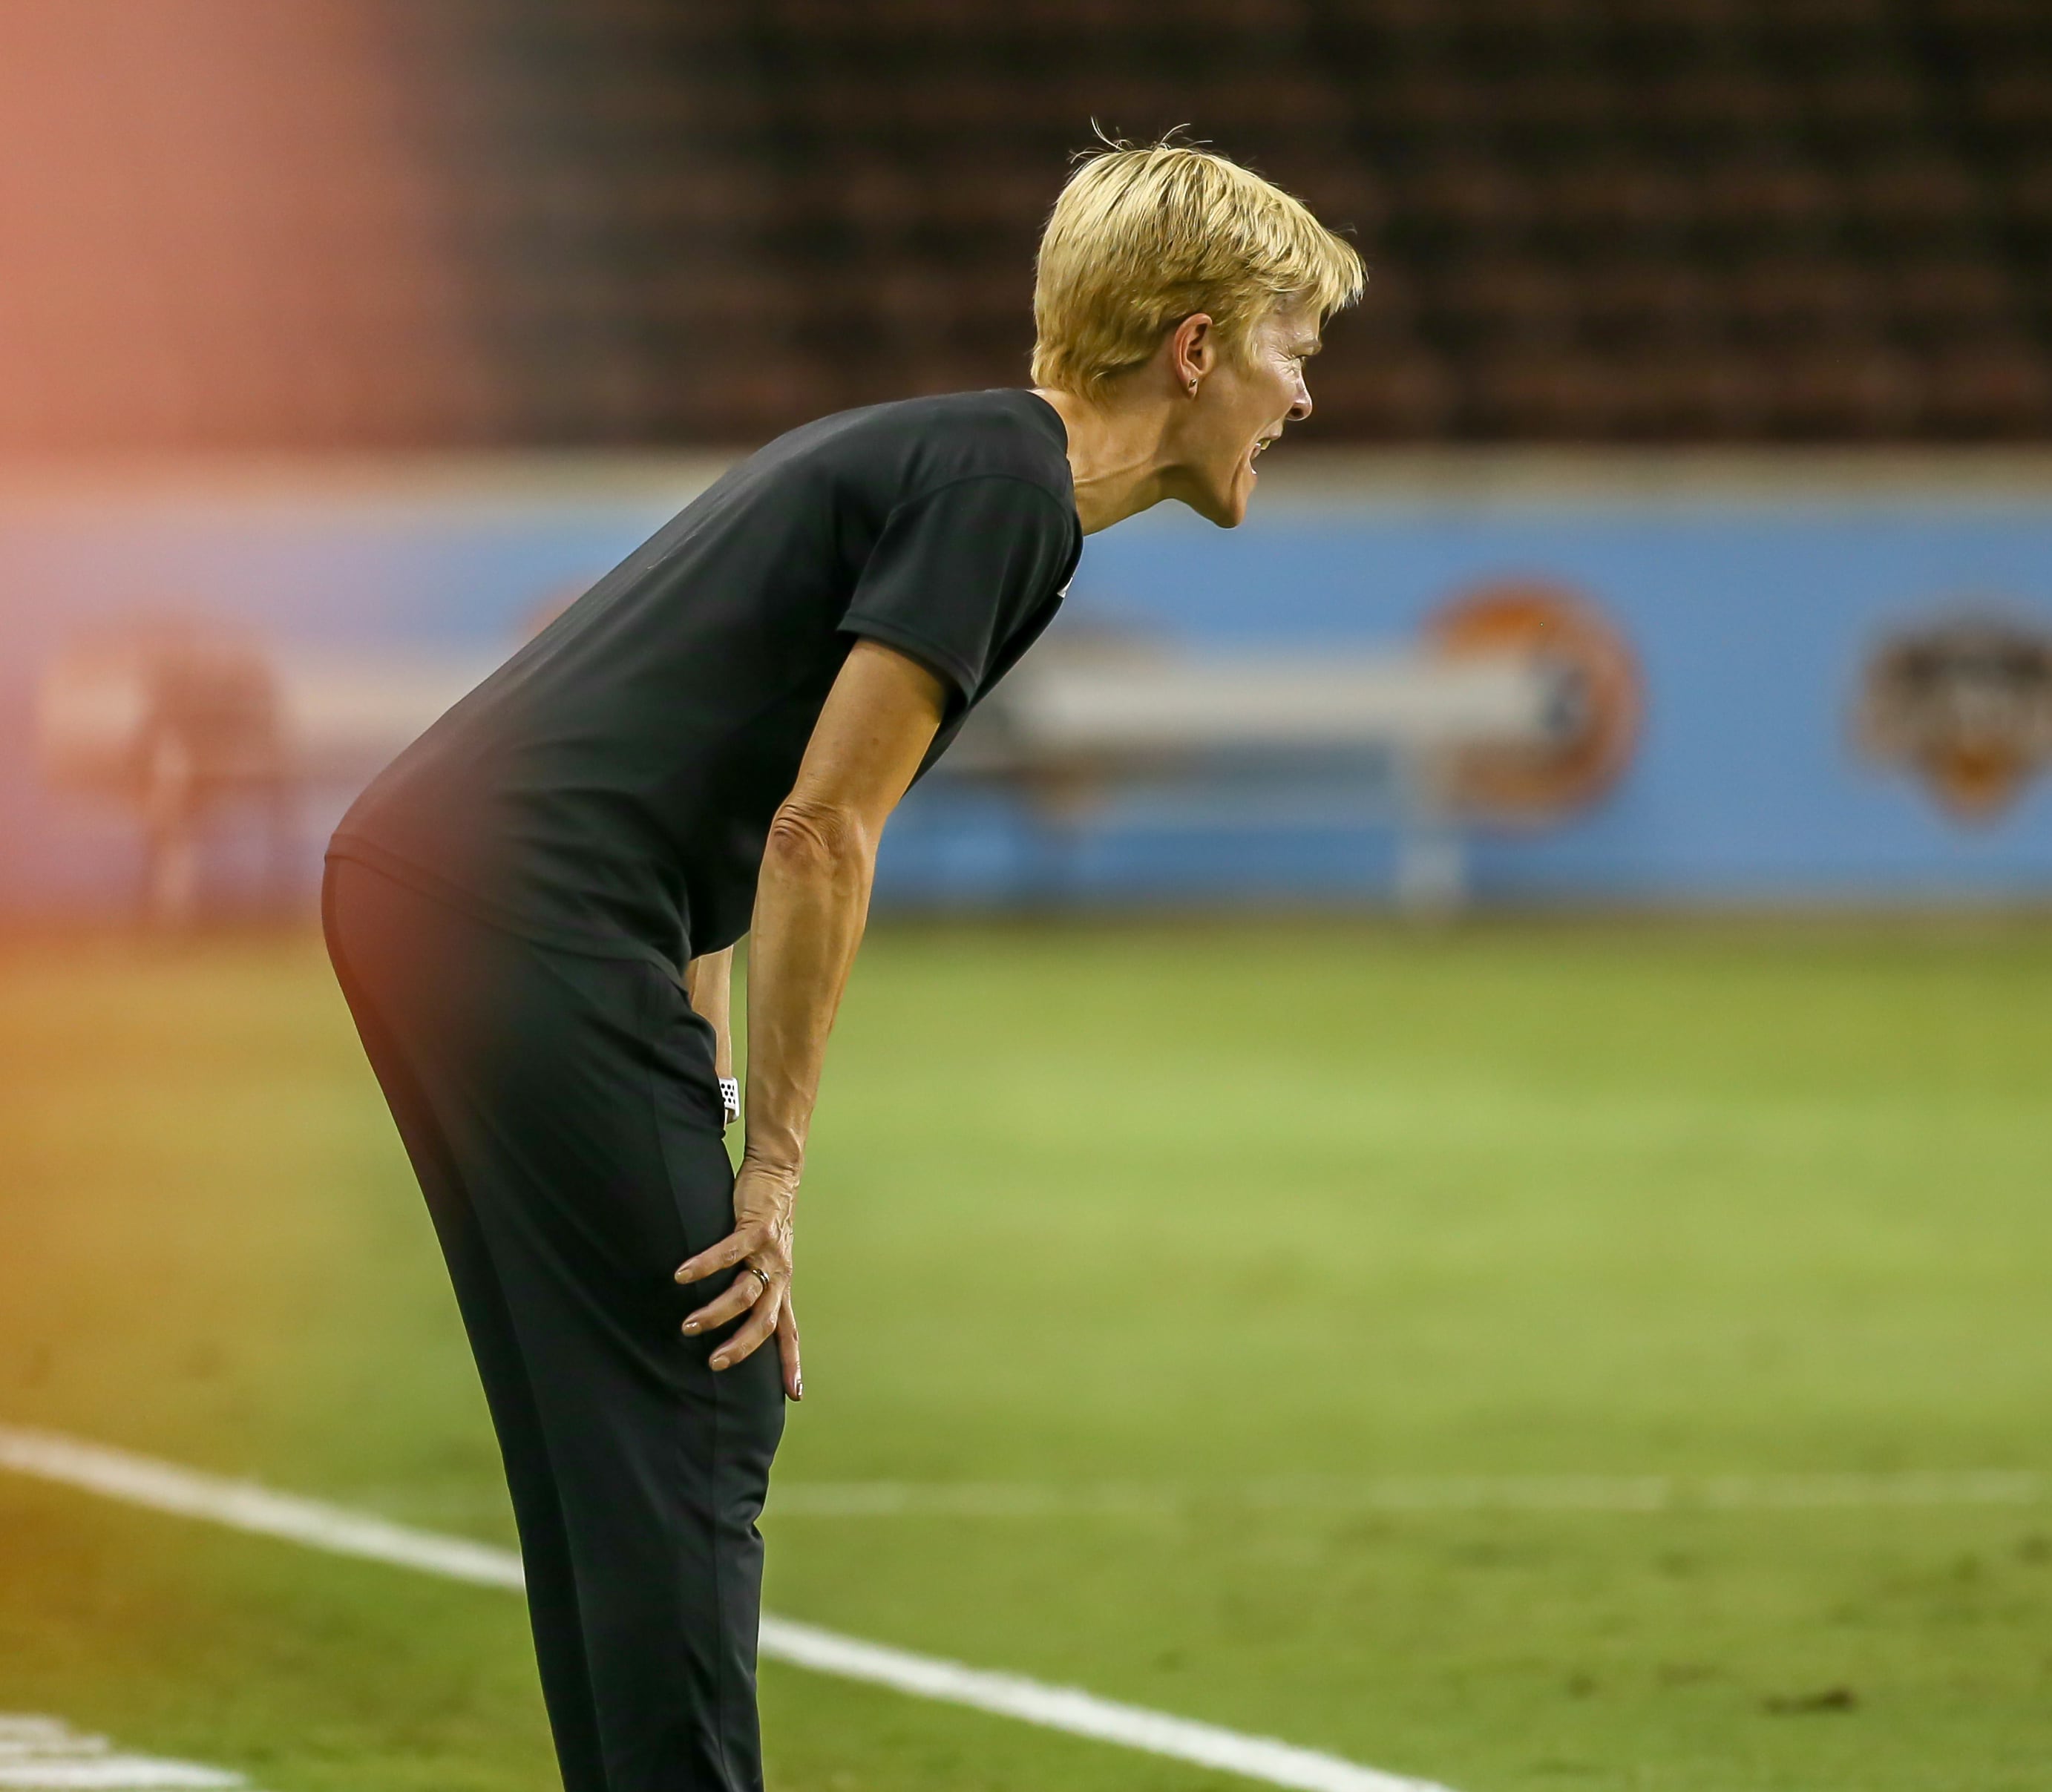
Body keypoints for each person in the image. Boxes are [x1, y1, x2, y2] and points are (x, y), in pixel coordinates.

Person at [320, 140, 1363, 1792]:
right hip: (517, 900)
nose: (1302, 391)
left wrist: (724, 1125)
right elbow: (818, 833)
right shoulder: (1006, 491)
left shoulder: (963, 465)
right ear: (1192, 344)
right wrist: (776, 1174)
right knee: (701, 1396)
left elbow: (716, 840)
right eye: (1292, 343)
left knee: (622, 1418)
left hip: (437, 883)